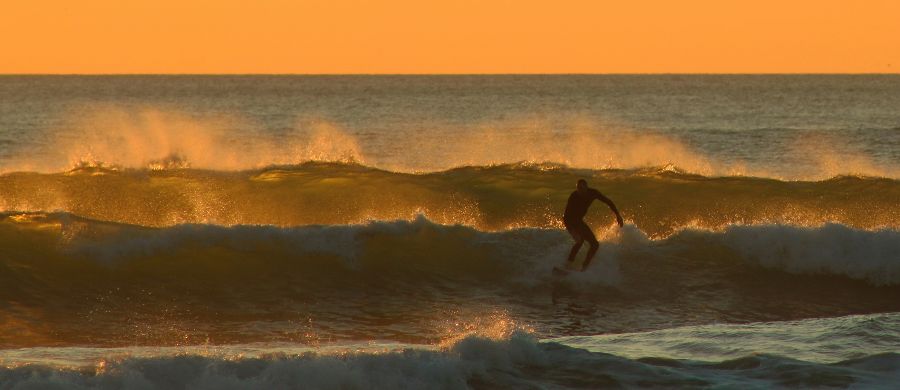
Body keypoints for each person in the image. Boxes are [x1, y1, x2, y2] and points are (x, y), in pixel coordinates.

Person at [563, 179, 624, 271]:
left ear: (586, 188)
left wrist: (617, 215)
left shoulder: (592, 193)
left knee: (595, 244)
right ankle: (567, 266)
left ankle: (584, 267)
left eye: (582, 188)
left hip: (579, 221)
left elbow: (608, 201)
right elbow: (566, 217)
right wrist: (572, 231)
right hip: (570, 221)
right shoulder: (574, 196)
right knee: (579, 241)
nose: (580, 191)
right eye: (578, 188)